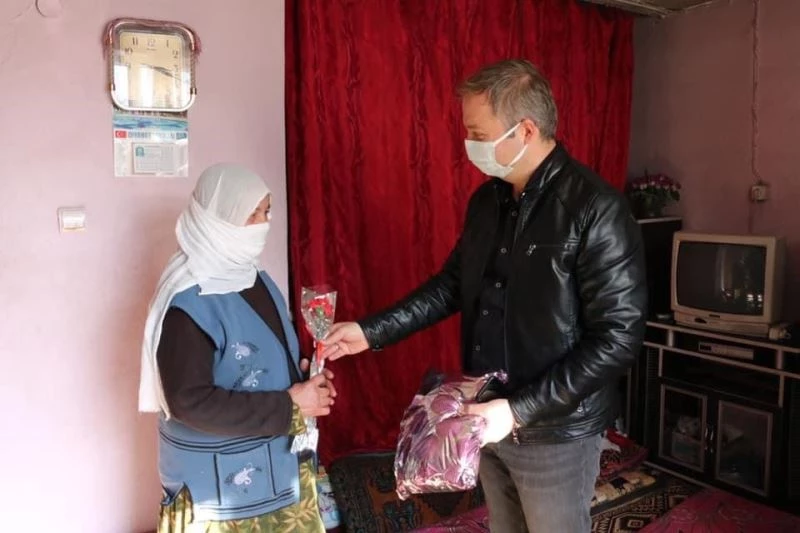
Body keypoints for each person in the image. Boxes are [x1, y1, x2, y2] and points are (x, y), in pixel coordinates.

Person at [321, 59, 647, 533]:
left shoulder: (595, 209)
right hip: (486, 411)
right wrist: (371, 332)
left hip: (555, 429)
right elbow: (453, 285)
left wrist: (518, 411)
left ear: (526, 130)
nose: (469, 144)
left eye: (478, 133)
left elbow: (617, 339)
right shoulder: (488, 201)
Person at [138, 163, 336, 533]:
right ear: (216, 219)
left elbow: (262, 355)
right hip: (220, 495)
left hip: (278, 472)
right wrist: (291, 404)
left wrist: (308, 377)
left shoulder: (254, 277)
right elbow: (189, 402)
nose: (263, 224)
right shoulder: (187, 302)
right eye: (251, 214)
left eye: (267, 212)